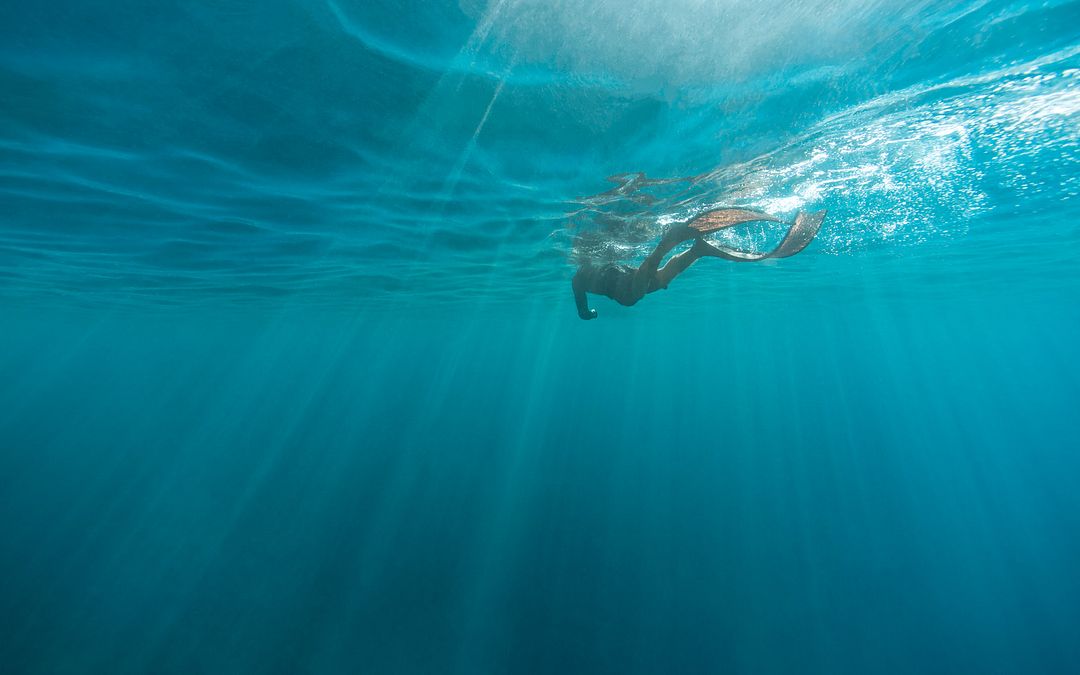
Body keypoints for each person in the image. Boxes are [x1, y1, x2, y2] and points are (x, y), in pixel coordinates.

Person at [572, 208, 826, 320]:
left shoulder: (579, 279)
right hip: (625, 279)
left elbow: (583, 311)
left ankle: (666, 244)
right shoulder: (581, 277)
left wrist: (589, 314)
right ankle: (698, 251)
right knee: (658, 280)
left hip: (625, 284)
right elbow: (583, 311)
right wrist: (587, 313)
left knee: (634, 293)